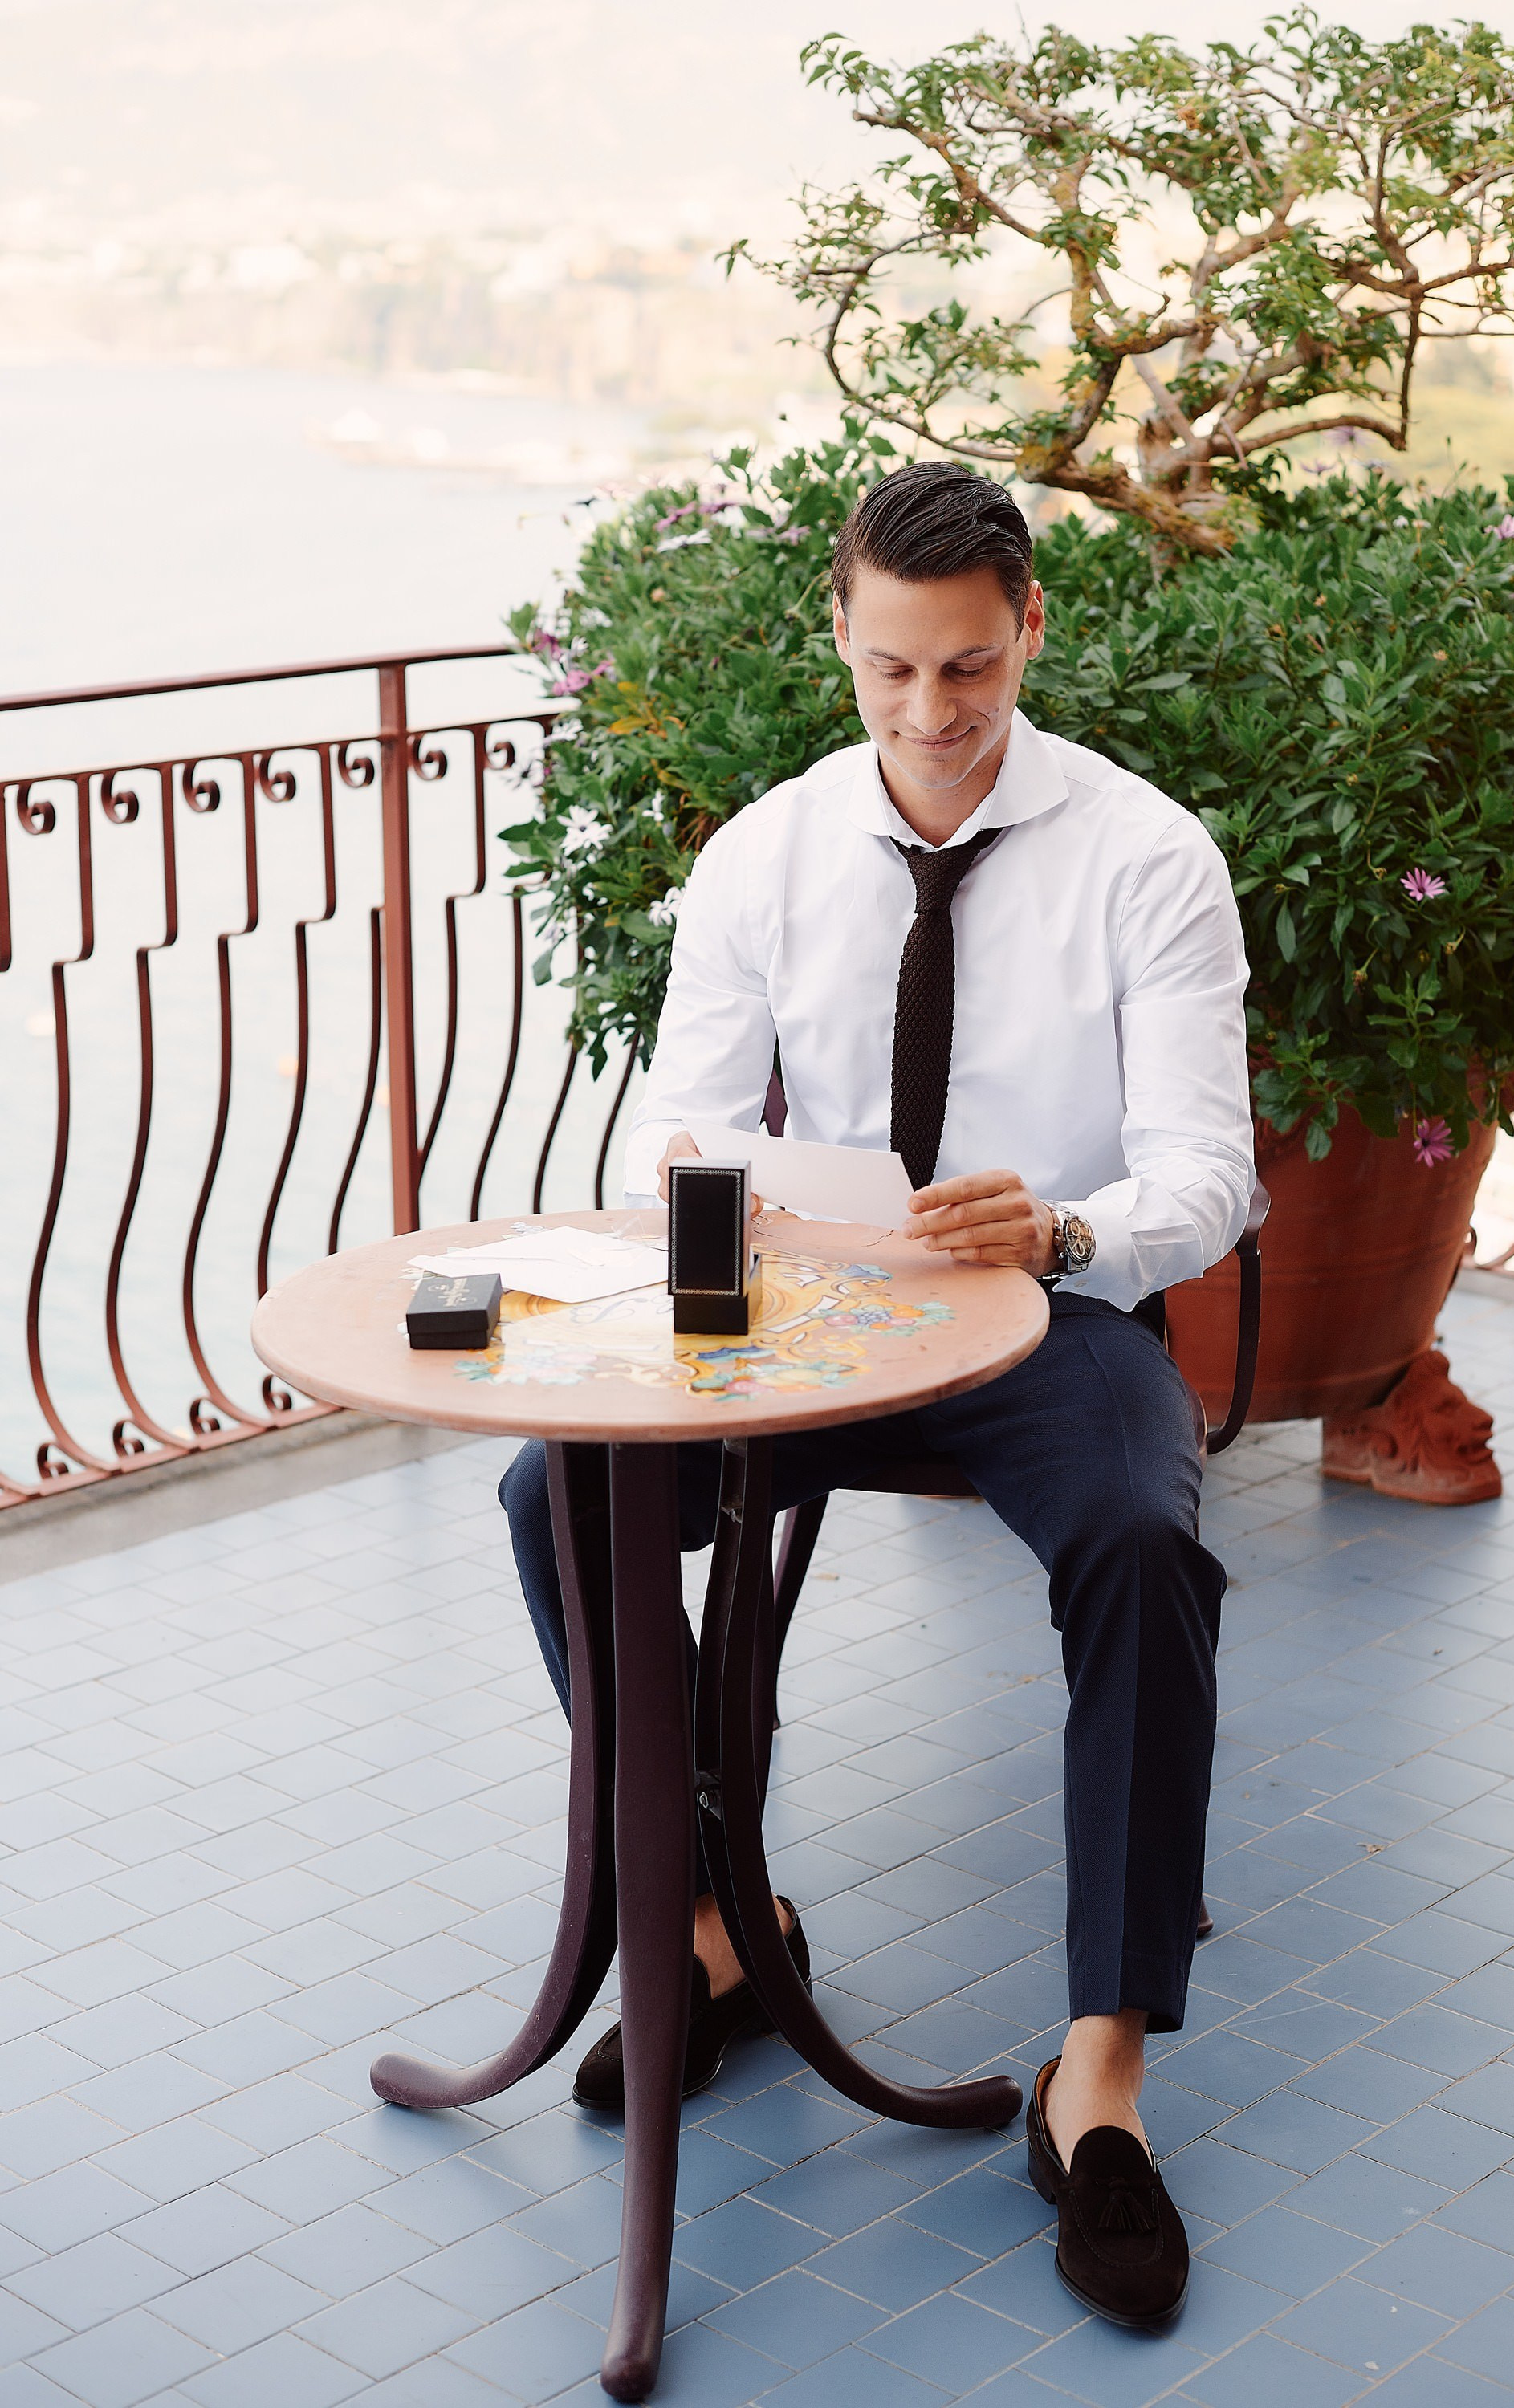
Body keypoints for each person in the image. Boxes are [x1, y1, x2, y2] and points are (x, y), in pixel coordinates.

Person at [500, 460, 1253, 2327]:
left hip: (1049, 1315)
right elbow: (672, 1116)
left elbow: (1209, 1175)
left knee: (1146, 1551)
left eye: (974, 672)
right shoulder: (762, 855)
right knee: (551, 1495)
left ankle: (1100, 2075)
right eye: (895, 671)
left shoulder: (1147, 858)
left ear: (1031, 637)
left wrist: (1064, 1228)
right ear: (839, 635)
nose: (933, 715)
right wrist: (762, 1199)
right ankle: (706, 1934)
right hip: (808, 1313)